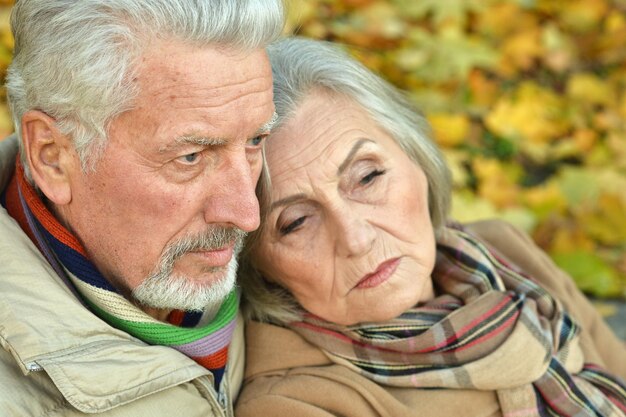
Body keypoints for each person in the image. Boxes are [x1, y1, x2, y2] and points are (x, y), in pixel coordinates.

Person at [234, 37, 626, 417]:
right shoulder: (293, 404)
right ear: (259, 263)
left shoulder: (502, 250)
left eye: (367, 177)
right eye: (296, 222)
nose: (357, 238)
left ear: (416, 155)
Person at [0, 1, 284, 415]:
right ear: (52, 156)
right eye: (190, 157)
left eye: (255, 141)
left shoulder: (285, 261)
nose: (248, 214)